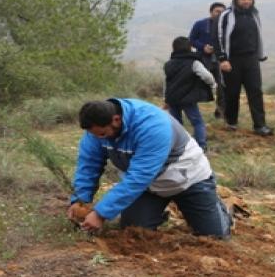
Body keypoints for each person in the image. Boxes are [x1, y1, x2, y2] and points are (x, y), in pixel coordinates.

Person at [67, 99, 232, 239]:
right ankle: (157, 213)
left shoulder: (153, 127)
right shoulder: (97, 129)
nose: (97, 138)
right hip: (149, 188)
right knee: (133, 233)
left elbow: (139, 177)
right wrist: (80, 200)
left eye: (102, 134)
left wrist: (100, 214)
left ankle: (219, 210)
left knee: (214, 236)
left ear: (116, 120)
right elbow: (88, 165)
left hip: (187, 180)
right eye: (94, 135)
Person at [215, 0, 273, 136]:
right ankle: (231, 122)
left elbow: (257, 35)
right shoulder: (226, 15)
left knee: (255, 92)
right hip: (232, 59)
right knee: (232, 93)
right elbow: (218, 37)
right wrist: (223, 59)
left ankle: (260, 126)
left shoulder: (254, 14)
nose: (246, 1)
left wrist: (260, 54)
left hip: (251, 59)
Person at [163, 36, 217, 151]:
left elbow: (167, 83)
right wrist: (213, 84)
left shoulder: (168, 64)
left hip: (173, 99)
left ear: (174, 49)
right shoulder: (194, 62)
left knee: (176, 124)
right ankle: (201, 146)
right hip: (188, 99)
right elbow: (206, 75)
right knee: (197, 122)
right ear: (190, 48)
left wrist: (166, 99)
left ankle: (179, 147)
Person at [189, 2, 226, 118]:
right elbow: (191, 39)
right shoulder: (200, 24)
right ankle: (192, 111)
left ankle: (220, 111)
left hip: (221, 60)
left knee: (222, 86)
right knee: (197, 84)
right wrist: (203, 47)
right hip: (203, 58)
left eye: (222, 12)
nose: (220, 14)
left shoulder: (226, 26)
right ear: (211, 12)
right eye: (217, 11)